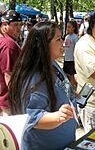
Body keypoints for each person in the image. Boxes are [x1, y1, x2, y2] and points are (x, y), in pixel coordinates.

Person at [8, 21, 78, 150]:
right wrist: (58, 117)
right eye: (58, 39)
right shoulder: (34, 77)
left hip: (63, 143)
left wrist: (72, 94)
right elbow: (31, 118)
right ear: (44, 45)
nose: (62, 42)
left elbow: (60, 88)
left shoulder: (52, 64)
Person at [0, 10, 22, 116]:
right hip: (8, 101)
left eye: (20, 24)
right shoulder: (9, 44)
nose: (19, 28)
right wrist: (17, 98)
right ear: (5, 24)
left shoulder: (6, 41)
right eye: (15, 25)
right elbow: (8, 74)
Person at [63, 20, 79, 88]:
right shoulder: (67, 37)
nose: (67, 28)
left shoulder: (75, 37)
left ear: (74, 28)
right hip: (66, 59)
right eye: (67, 27)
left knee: (71, 75)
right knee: (67, 75)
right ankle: (76, 86)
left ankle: (72, 90)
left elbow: (77, 49)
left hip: (72, 60)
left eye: (69, 27)